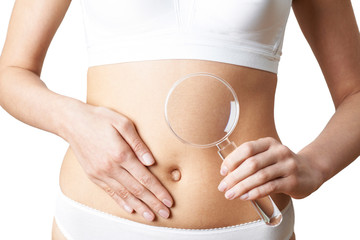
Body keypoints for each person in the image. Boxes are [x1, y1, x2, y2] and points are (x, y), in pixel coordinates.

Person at [0, 0, 359, 239]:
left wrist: (315, 165)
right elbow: (11, 72)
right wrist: (71, 119)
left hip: (248, 225)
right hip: (98, 221)